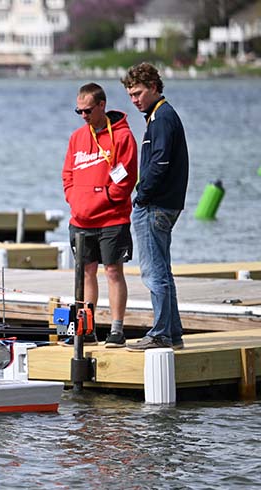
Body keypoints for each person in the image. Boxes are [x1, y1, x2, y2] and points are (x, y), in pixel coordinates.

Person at [61, 83, 138, 348]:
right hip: (80, 219)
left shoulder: (123, 137)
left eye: (87, 110)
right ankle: (87, 329)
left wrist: (104, 198)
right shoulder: (77, 137)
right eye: (79, 111)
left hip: (112, 218)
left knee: (113, 271)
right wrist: (74, 198)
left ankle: (117, 329)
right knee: (86, 272)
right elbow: (67, 175)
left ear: (102, 105)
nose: (83, 116)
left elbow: (126, 179)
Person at [121, 62, 189, 351]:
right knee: (163, 270)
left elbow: (160, 163)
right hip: (166, 203)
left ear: (153, 87)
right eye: (130, 95)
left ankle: (160, 332)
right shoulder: (161, 115)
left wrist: (142, 195)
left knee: (153, 272)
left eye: (137, 93)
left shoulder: (161, 118)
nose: (134, 100)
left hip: (155, 205)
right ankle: (172, 332)